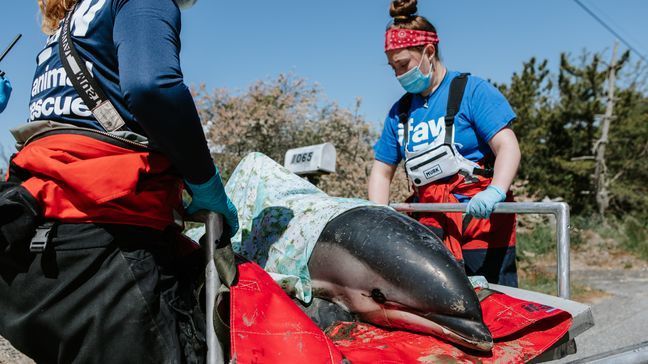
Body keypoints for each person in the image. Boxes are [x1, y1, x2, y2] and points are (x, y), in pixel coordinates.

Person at [0, 0, 237, 362]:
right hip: (111, 256)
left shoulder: (64, 29)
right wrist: (204, 180)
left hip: (35, 260)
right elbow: (151, 86)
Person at [368, 0, 521, 287]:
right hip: (430, 232)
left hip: (482, 226)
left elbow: (507, 146)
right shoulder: (399, 113)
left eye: (403, 65)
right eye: (392, 68)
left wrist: (496, 191)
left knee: (495, 309)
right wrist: (379, 216)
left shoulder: (472, 91)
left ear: (429, 52)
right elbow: (381, 170)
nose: (399, 75)